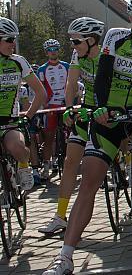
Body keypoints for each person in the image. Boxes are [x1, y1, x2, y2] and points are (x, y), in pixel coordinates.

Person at [43, 0, 132, 275]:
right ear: (131, 19)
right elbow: (103, 76)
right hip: (111, 113)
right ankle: (65, 257)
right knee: (89, 180)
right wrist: (103, 108)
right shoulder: (116, 38)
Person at [38, 17, 105, 235]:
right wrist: (69, 108)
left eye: (76, 42)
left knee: (123, 143)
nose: (73, 47)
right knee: (70, 161)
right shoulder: (78, 56)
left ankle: (127, 167)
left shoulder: (108, 56)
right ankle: (60, 215)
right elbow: (70, 84)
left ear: (92, 41)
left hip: (109, 108)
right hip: (86, 108)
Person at [0, 17, 46, 191]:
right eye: (9, 40)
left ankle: (24, 164)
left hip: (9, 120)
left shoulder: (18, 61)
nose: (13, 44)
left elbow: (41, 93)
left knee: (16, 147)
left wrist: (28, 116)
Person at [37, 39, 70, 181]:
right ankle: (45, 166)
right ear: (46, 52)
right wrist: (45, 104)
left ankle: (70, 162)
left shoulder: (66, 66)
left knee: (71, 133)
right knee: (49, 137)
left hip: (65, 103)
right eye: (50, 50)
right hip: (50, 105)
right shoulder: (42, 69)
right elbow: (41, 89)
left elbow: (72, 85)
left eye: (55, 49)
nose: (53, 52)